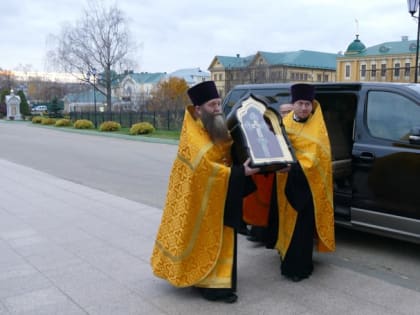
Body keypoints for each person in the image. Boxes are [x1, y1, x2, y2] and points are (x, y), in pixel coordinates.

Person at [150, 80, 259, 303]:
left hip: (223, 192)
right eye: (212, 105)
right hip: (201, 199)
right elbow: (204, 168)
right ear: (198, 109)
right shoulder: (193, 134)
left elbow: (227, 151)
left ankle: (222, 281)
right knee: (206, 239)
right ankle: (212, 286)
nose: (218, 109)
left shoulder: (215, 126)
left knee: (225, 236)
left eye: (219, 103)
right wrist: (240, 173)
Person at [275, 83, 335, 281]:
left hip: (308, 186)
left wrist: (295, 166)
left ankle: (301, 268)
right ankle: (286, 260)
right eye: (300, 103)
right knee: (286, 224)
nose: (303, 108)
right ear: (293, 104)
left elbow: (319, 157)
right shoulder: (285, 124)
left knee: (302, 229)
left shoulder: (318, 127)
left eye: (307, 104)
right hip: (286, 184)